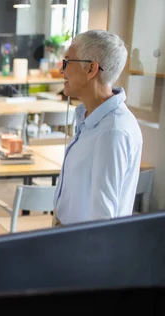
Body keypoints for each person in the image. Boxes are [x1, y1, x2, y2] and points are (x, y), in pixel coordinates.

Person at [54, 30, 143, 225]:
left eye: (67, 62)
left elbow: (104, 218)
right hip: (69, 236)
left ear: (91, 69)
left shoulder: (113, 132)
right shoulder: (90, 117)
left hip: (83, 246)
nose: (61, 70)